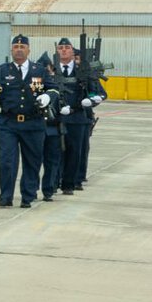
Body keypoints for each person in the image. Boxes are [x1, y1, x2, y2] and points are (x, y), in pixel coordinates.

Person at [0, 33, 48, 209]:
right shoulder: (2, 71)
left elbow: (54, 89)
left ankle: (28, 195)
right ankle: (6, 196)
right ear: (11, 49)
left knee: (32, 161)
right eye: (16, 47)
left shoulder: (39, 70)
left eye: (22, 47)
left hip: (33, 123)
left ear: (28, 49)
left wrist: (48, 96)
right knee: (7, 160)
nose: (19, 50)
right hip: (8, 123)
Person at [49, 38, 100, 195]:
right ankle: (52, 182)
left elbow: (94, 91)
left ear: (72, 51)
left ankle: (69, 184)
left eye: (67, 47)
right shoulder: (49, 71)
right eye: (60, 48)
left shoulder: (82, 71)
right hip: (56, 118)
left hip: (77, 118)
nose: (63, 50)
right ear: (56, 51)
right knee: (54, 153)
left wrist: (91, 100)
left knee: (74, 152)